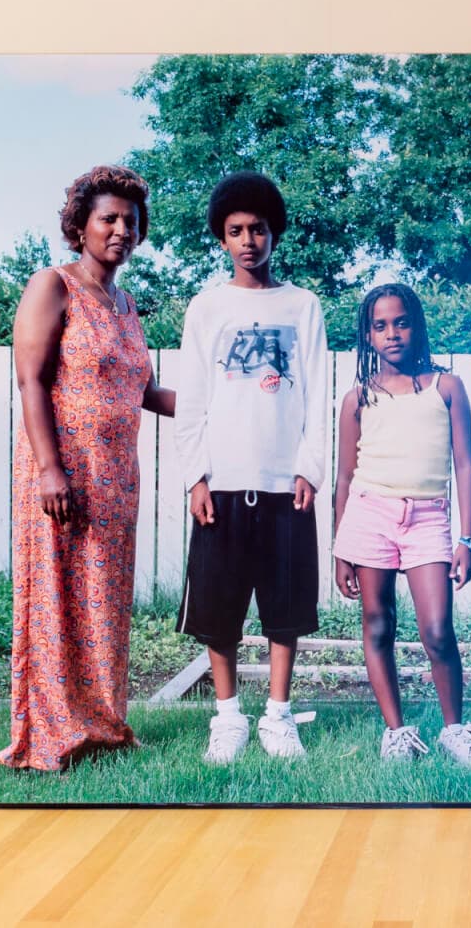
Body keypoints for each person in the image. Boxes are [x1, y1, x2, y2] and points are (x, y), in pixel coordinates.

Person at [0, 165, 174, 773]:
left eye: (131, 220)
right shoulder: (54, 285)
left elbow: (146, 392)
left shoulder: (125, 305)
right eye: (109, 218)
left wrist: (228, 401)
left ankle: (102, 723)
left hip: (116, 479)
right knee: (57, 600)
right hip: (63, 472)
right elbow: (31, 379)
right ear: (81, 225)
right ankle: (53, 732)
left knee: (104, 603)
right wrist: (50, 468)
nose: (122, 229)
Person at [173, 172, 330, 763]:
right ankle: (229, 717)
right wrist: (196, 476)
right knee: (219, 609)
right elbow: (192, 402)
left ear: (274, 234)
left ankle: (278, 716)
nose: (247, 241)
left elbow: (315, 394)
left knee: (284, 609)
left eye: (258, 229)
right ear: (222, 238)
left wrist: (309, 469)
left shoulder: (302, 305)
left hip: (283, 483)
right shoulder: (207, 307)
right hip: (224, 483)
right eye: (235, 231)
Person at [332, 283, 471, 765]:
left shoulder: (446, 387)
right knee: (377, 623)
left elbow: (465, 464)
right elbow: (344, 476)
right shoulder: (358, 397)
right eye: (379, 326)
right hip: (369, 514)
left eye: (401, 322)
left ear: (416, 325)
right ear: (367, 336)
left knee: (438, 629)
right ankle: (396, 731)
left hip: (427, 518)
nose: (392, 333)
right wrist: (341, 547)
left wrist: (468, 538)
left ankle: (454, 729)